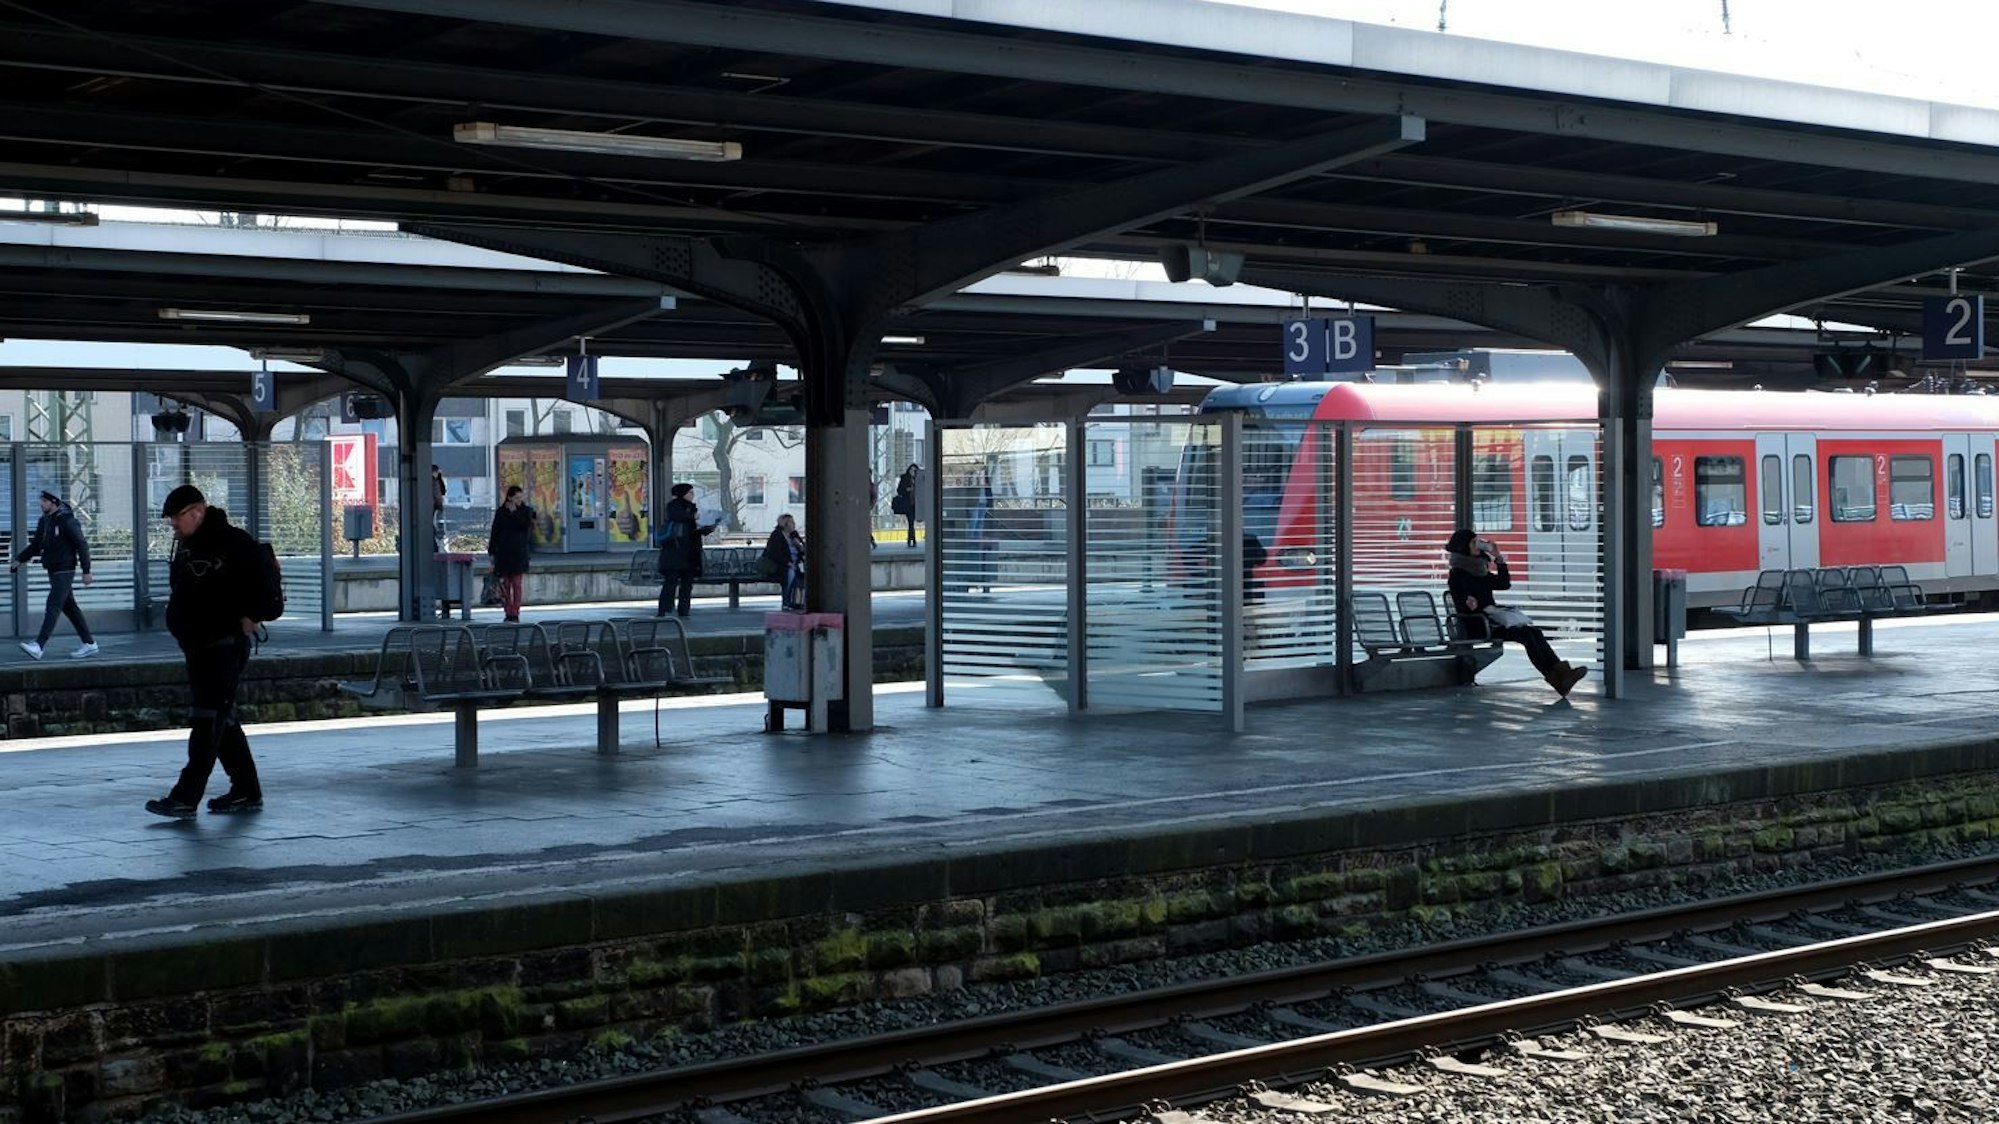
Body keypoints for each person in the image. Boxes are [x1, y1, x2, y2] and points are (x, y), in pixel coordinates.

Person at [145, 484, 264, 819]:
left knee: (207, 720)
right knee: (222, 719)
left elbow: (265, 587)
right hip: (198, 646)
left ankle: (186, 796)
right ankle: (246, 790)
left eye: (176, 520)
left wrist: (252, 617)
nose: (173, 527)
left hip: (224, 646)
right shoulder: (187, 546)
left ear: (196, 512)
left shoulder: (233, 543)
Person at [1444, 528, 1588, 698]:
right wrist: (1471, 602)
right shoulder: (1458, 574)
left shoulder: (1479, 570)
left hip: (1491, 619)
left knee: (1534, 632)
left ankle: (1562, 676)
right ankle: (1558, 679)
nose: (1479, 545)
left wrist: (1499, 558)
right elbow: (1463, 601)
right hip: (1478, 624)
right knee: (1525, 635)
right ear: (1464, 547)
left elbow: (1504, 584)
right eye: (1474, 543)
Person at [9, 490, 97, 660]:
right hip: (53, 568)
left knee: (53, 605)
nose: (41, 504)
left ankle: (39, 646)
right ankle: (89, 643)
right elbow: (36, 546)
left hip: (65, 569)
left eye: (44, 501)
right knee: (70, 607)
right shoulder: (45, 521)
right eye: (41, 500)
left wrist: (86, 571)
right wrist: (19, 560)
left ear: (53, 503)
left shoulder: (67, 520)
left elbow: (82, 544)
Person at [656, 482, 716, 618]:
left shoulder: (692, 508)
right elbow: (677, 517)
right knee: (671, 583)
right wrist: (692, 517)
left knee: (687, 584)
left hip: (690, 552)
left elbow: (693, 530)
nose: (692, 496)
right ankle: (664, 609)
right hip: (675, 552)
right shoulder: (674, 506)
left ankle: (684, 610)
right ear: (683, 494)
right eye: (690, 493)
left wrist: (707, 528)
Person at [486, 485, 535, 623]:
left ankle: (516, 611)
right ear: (509, 497)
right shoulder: (501, 512)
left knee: (517, 584)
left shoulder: (526, 511)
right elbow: (495, 532)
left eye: (521, 497)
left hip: (519, 553)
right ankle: (508, 611)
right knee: (505, 584)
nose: (519, 500)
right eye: (517, 498)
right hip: (504, 553)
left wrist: (514, 513)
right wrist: (491, 552)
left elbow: (525, 526)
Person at [762, 513, 807, 611]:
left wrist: (800, 546)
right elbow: (774, 553)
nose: (794, 524)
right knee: (790, 575)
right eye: (792, 522)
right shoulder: (777, 535)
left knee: (802, 575)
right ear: (785, 524)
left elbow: (803, 550)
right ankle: (787, 601)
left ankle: (799, 601)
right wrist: (788, 563)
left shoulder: (794, 535)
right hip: (781, 565)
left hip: (797, 563)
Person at [892, 463, 919, 546]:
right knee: (911, 521)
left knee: (911, 522)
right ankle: (912, 540)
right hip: (908, 503)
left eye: (914, 470)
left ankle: (911, 539)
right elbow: (899, 490)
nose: (912, 472)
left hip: (917, 503)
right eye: (911, 470)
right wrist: (907, 489)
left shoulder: (919, 479)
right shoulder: (904, 478)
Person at [431, 464, 447, 551]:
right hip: (434, 506)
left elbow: (443, 491)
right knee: (433, 526)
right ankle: (434, 546)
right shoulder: (434, 481)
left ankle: (435, 545)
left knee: (433, 525)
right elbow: (442, 492)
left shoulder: (435, 480)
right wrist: (439, 506)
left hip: (433, 506)